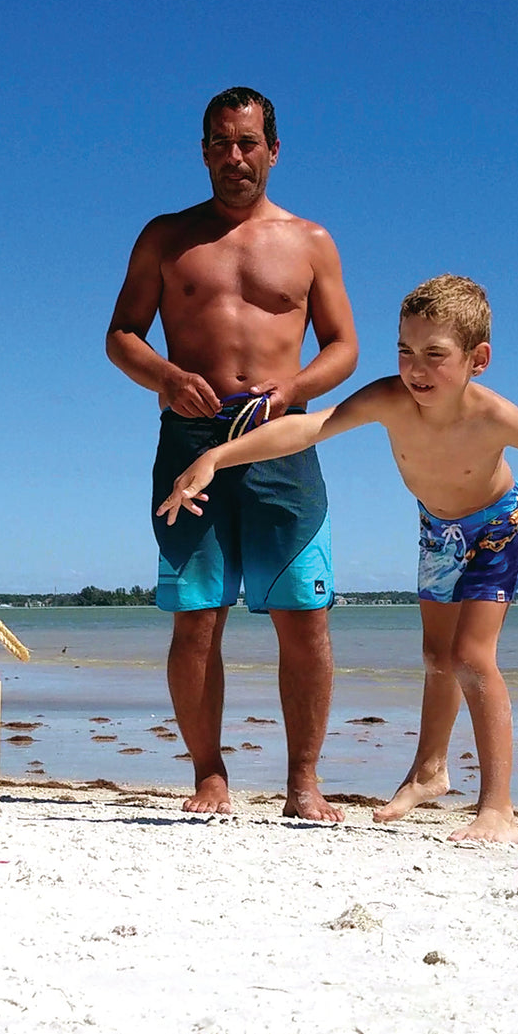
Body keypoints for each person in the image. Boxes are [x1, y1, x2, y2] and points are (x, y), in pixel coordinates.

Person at [158, 274, 518, 843]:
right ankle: (429, 772)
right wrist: (217, 458)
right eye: (405, 351)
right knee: (435, 656)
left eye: (434, 355)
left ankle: (497, 808)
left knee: (470, 657)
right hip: (437, 531)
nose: (416, 369)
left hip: (498, 527)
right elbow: (307, 427)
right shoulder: (389, 399)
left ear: (478, 358)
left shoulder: (494, 416)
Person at [106, 86, 359, 820]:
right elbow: (121, 334)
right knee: (197, 617)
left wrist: (293, 390)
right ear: (204, 151)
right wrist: (166, 375)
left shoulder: (311, 242)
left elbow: (343, 349)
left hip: (283, 441)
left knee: (304, 617)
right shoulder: (166, 236)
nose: (234, 157)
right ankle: (210, 776)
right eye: (220, 143)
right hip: (189, 440)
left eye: (248, 143)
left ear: (273, 151)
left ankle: (303, 784)